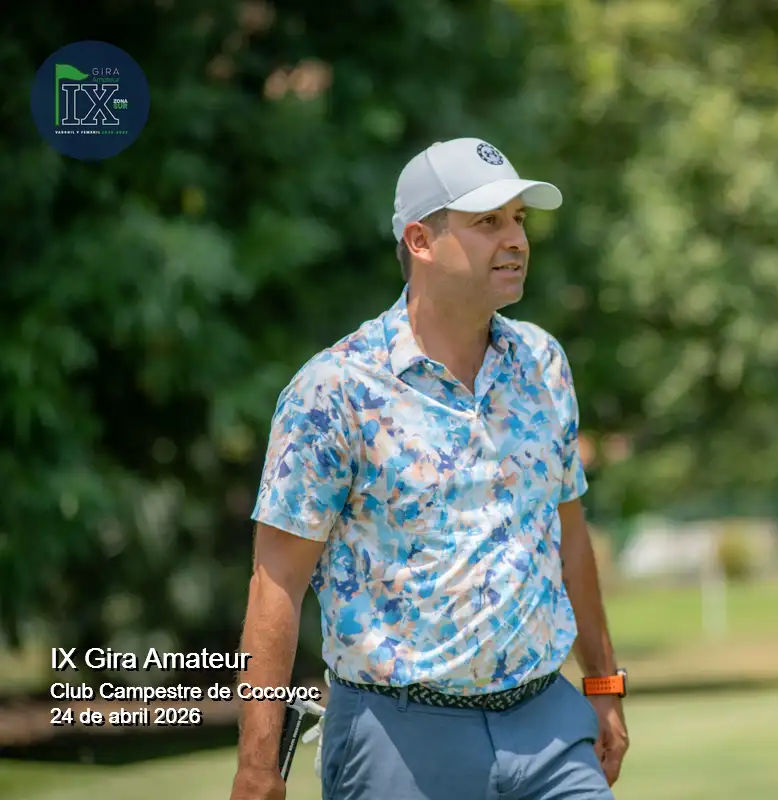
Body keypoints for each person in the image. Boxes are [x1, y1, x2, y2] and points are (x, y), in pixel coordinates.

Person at [228, 138, 629, 800]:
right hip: (398, 737)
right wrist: (256, 765)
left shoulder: (543, 364)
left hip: (548, 727)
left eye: (519, 220)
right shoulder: (335, 388)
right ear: (420, 240)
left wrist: (604, 682)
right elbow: (276, 583)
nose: (515, 240)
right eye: (487, 222)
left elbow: (570, 535)